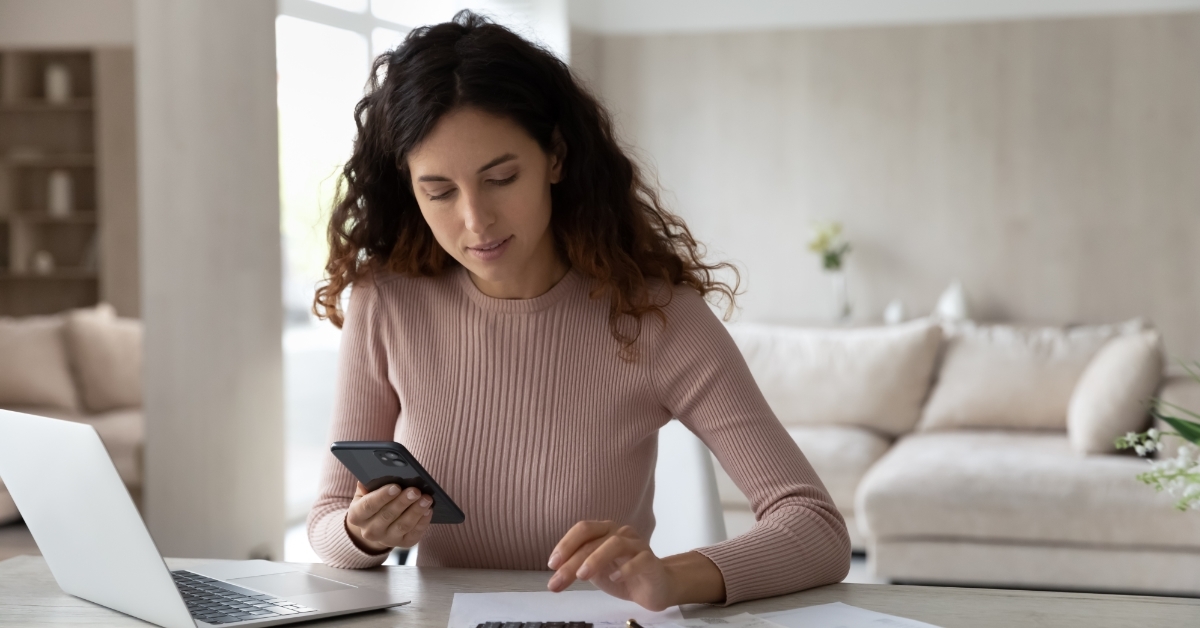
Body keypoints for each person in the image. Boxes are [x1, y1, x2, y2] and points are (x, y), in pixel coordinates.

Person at [308, 11, 851, 611]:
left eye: (501, 178)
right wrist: (363, 532)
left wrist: (673, 577)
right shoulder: (388, 301)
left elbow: (816, 527)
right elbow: (328, 522)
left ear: (557, 157)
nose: (475, 220)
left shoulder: (656, 316)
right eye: (439, 191)